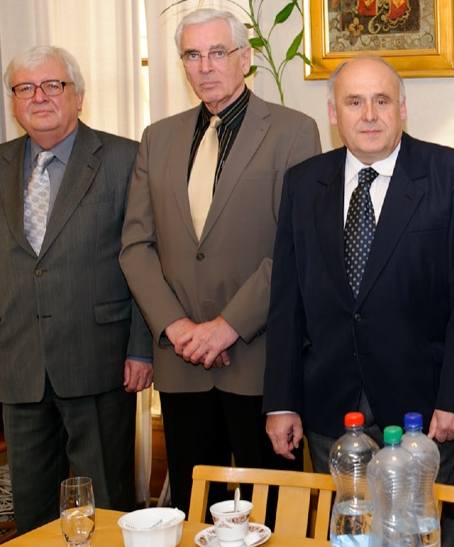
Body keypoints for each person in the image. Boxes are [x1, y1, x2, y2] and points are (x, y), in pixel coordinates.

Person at [263, 56, 454, 546]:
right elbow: (286, 301)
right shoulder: (304, 183)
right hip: (329, 406)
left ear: (402, 108)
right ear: (333, 113)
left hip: (422, 413)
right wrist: (281, 402)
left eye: (382, 101)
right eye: (354, 102)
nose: (369, 115)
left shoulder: (451, 175)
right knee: (348, 534)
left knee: (424, 536)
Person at [119, 8, 320, 513]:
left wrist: (227, 327)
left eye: (217, 52)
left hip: (259, 362)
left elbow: (296, 248)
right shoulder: (157, 138)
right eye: (193, 55)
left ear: (245, 58)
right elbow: (136, 246)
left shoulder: (294, 131)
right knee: (193, 514)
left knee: (273, 515)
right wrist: (177, 328)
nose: (205, 66)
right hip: (181, 363)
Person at [0, 45, 152, 532]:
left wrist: (141, 347)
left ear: (78, 96)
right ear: (13, 102)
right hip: (17, 363)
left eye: (52, 85)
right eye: (25, 88)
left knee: (105, 504)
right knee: (32, 508)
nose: (38, 97)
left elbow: (145, 259)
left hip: (100, 359)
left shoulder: (124, 159)